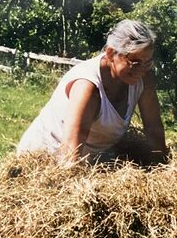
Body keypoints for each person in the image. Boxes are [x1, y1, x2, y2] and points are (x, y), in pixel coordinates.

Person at [17, 19, 167, 164]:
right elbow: (70, 155)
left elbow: (153, 127)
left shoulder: (143, 77)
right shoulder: (88, 87)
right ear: (110, 53)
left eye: (147, 63)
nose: (141, 70)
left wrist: (162, 169)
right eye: (134, 63)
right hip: (45, 161)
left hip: (89, 162)